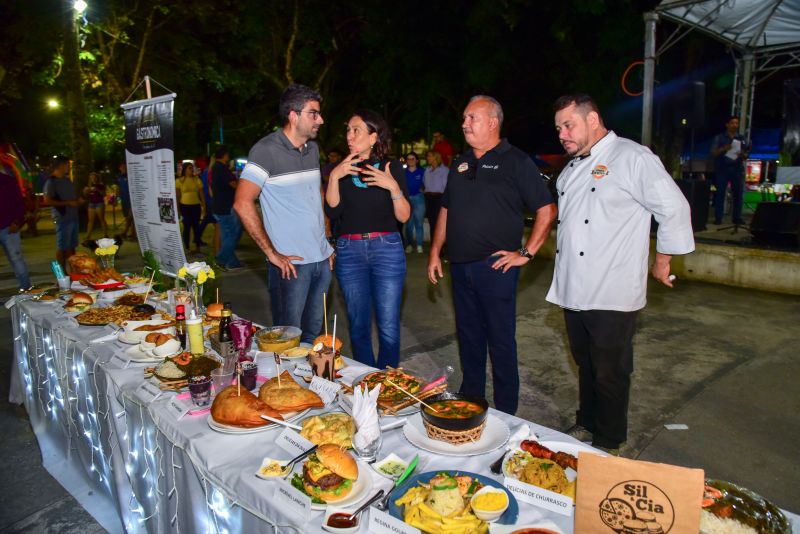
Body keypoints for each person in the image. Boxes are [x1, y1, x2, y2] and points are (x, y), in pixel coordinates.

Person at [547, 93, 695, 453]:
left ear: (593, 120)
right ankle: (588, 420)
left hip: (612, 287)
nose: (562, 134)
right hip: (573, 285)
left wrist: (662, 260)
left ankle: (609, 438)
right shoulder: (571, 167)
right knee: (584, 362)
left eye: (569, 125)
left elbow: (674, 208)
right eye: (558, 128)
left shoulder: (632, 157)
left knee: (610, 370)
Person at [427, 96, 556, 415]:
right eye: (464, 118)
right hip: (460, 266)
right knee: (469, 336)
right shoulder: (460, 163)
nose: (464, 123)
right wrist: (434, 253)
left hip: (495, 268)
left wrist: (526, 252)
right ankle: (472, 399)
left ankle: (506, 410)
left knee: (500, 341)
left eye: (472, 118)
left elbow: (546, 209)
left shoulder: (515, 161)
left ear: (493, 122)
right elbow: (446, 209)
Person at [234, 84, 334, 344]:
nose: (320, 120)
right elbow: (242, 203)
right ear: (293, 115)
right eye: (314, 114)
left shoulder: (312, 149)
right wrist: (271, 253)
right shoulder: (266, 150)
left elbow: (317, 195)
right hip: (291, 266)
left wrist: (327, 240)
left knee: (313, 336)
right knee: (287, 339)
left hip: (321, 260)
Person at [325, 109, 410, 368]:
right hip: (349, 251)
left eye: (356, 130)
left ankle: (387, 382)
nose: (349, 136)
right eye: (348, 130)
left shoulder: (390, 167)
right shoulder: (340, 169)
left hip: (387, 249)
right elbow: (332, 210)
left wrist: (393, 186)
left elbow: (404, 216)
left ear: (373, 137)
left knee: (388, 325)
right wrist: (335, 177)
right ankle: (365, 379)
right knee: (358, 323)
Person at [44, 156, 84, 272]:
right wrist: (68, 203)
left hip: (73, 217)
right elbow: (47, 200)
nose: (69, 167)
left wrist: (78, 201)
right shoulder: (51, 182)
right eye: (67, 165)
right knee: (62, 247)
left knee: (71, 246)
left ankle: (74, 270)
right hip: (62, 218)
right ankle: (61, 273)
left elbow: (71, 198)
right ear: (61, 165)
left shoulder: (66, 180)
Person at [711, 116, 748, 225]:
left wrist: (743, 154)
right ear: (727, 124)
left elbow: (746, 154)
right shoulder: (720, 137)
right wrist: (724, 149)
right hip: (722, 168)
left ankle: (737, 217)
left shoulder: (741, 138)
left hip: (736, 168)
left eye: (736, 123)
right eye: (732, 123)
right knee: (720, 194)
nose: (735, 125)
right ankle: (718, 217)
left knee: (738, 194)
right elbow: (713, 153)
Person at [0, 162, 32, 290]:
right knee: (17, 260)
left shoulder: (8, 181)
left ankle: (26, 289)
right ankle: (26, 289)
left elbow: (19, 203)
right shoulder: (9, 180)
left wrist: (17, 222)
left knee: (17, 260)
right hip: (10, 227)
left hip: (9, 228)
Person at [211, 146, 243, 270]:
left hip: (218, 206)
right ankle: (221, 260)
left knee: (226, 235)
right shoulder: (222, 168)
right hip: (225, 207)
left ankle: (233, 262)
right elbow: (233, 184)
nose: (229, 157)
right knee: (234, 233)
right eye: (228, 154)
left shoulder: (215, 168)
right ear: (224, 155)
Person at [176, 162, 206, 253]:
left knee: (196, 226)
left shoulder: (197, 180)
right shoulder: (179, 181)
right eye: (190, 168)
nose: (192, 169)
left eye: (192, 168)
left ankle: (197, 247)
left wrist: (204, 206)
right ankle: (187, 247)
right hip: (185, 207)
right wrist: (178, 210)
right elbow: (178, 196)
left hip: (196, 206)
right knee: (187, 227)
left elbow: (201, 194)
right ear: (185, 169)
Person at [423, 149, 448, 246]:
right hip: (429, 198)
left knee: (440, 223)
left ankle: (441, 247)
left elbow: (446, 187)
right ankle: (434, 246)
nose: (427, 158)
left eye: (429, 156)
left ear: (435, 157)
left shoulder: (444, 170)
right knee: (432, 223)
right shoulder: (427, 170)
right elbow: (425, 184)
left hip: (439, 198)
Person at [403, 151, 425, 253]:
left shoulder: (423, 171)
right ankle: (410, 245)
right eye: (408, 159)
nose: (410, 161)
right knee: (409, 225)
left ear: (417, 160)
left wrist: (424, 188)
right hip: (407, 199)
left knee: (419, 224)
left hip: (419, 198)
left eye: (412, 159)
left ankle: (419, 245)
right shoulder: (403, 172)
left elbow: (428, 183)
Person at [83, 172, 108, 241]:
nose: (93, 179)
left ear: (97, 178)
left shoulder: (101, 185)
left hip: (99, 203)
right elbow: (85, 195)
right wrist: (86, 191)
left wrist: (97, 189)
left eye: (94, 177)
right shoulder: (88, 186)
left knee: (101, 219)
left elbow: (104, 194)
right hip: (91, 204)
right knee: (90, 220)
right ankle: (88, 235)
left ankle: (105, 234)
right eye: (91, 177)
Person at [115, 162, 136, 241]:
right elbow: (118, 188)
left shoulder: (131, 176)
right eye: (122, 167)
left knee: (131, 216)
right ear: (120, 168)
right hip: (124, 199)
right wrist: (116, 199)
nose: (124, 168)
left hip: (132, 200)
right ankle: (128, 232)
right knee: (127, 216)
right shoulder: (118, 177)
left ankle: (131, 233)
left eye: (125, 167)